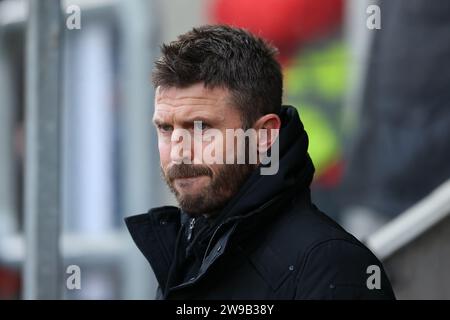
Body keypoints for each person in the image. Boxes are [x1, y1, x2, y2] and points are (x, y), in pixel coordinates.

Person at [125, 25, 395, 300]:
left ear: (263, 135)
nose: (178, 152)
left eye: (201, 127)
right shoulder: (185, 252)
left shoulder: (332, 267)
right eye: (165, 129)